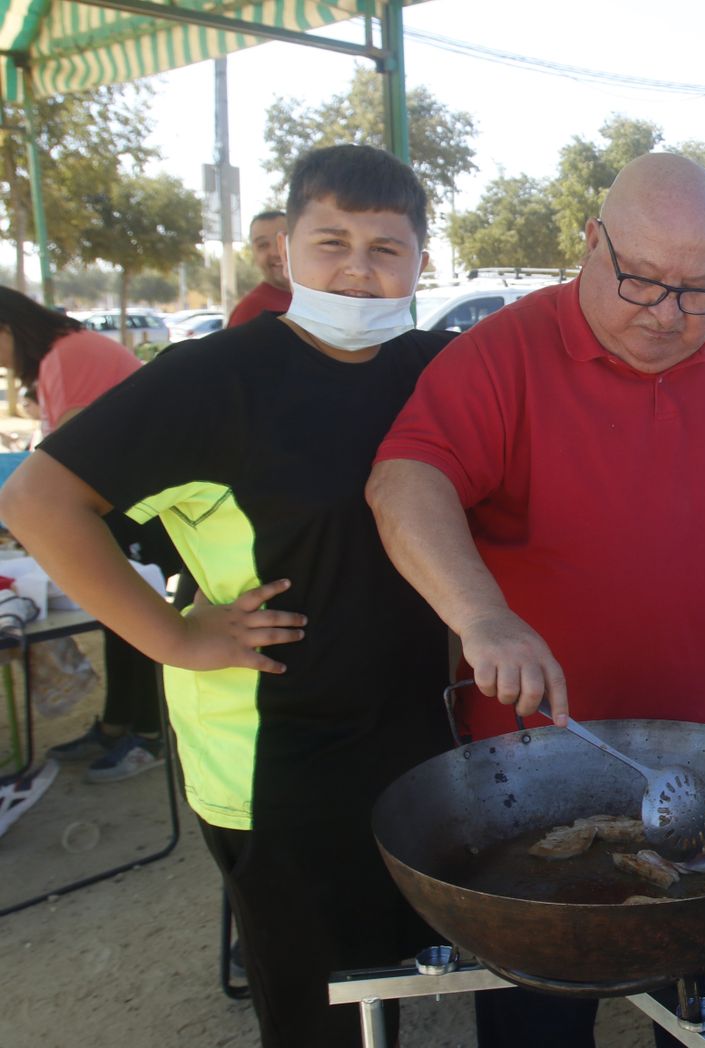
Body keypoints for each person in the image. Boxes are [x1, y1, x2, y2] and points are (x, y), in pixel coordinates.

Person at [366, 151, 705, 1048]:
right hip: (543, 767)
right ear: (592, 243)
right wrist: (481, 616)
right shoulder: (506, 351)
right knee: (541, 1023)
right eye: (643, 281)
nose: (671, 316)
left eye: (700, 289)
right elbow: (406, 482)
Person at [0, 144, 454, 1048]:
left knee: (389, 979)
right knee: (315, 1005)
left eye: (386, 248)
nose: (359, 271)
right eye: (332, 242)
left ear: (421, 259)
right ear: (286, 246)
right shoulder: (215, 377)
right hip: (273, 751)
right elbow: (38, 501)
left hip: (413, 730)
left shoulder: (437, 368)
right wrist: (174, 636)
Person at [0, 285, 183, 782]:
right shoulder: (66, 354)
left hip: (137, 507)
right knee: (116, 618)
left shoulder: (70, 354)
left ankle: (145, 734)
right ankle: (115, 723)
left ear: (9, 329)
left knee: (132, 614)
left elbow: (67, 451)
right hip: (121, 504)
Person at [228, 209, 291, 326]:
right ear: (253, 254)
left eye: (284, 241)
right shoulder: (250, 312)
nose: (276, 252)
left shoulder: (318, 300)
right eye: (263, 245)